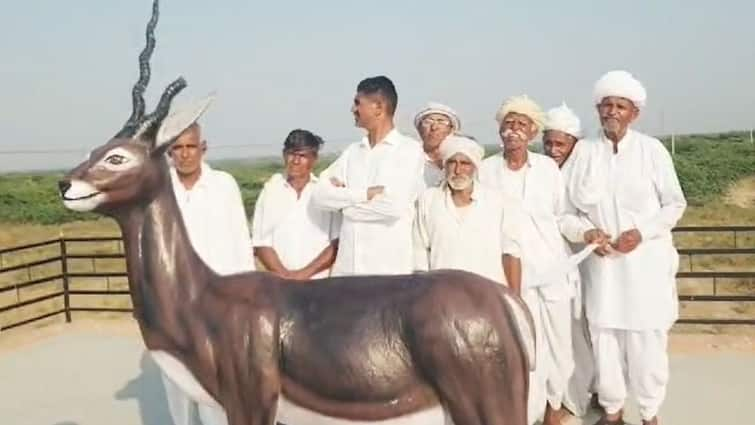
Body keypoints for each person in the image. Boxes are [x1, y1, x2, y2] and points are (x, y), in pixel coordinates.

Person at [566, 70, 687, 425]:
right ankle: (613, 411)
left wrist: (643, 232)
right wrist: (587, 232)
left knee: (647, 344)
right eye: (607, 105)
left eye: (621, 106)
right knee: (604, 341)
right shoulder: (584, 152)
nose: (613, 111)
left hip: (645, 269)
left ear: (635, 113)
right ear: (598, 109)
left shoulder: (652, 151)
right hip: (602, 271)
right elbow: (565, 212)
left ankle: (649, 414)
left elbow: (674, 205)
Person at [479, 95, 586, 425]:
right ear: (499, 131)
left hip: (552, 270)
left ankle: (555, 406)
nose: (513, 130)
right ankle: (527, 411)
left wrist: (587, 233)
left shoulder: (547, 169)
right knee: (522, 346)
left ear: (533, 131)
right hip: (509, 275)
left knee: (559, 345)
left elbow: (562, 217)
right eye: (508, 124)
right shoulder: (486, 170)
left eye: (521, 124)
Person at [167, 123, 255, 425]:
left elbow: (241, 240)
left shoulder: (223, 185)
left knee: (218, 382)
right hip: (174, 304)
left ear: (203, 148)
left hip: (220, 302)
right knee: (177, 381)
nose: (184, 154)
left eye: (190, 146)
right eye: (177, 148)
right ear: (169, 152)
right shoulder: (160, 190)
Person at [312, 76, 424, 276]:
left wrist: (343, 206)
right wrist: (364, 195)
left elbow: (392, 207)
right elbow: (319, 196)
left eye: (357, 103)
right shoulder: (352, 153)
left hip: (388, 275)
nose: (352, 110)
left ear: (379, 107)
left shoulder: (408, 151)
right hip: (347, 273)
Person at [543, 103, 599, 422]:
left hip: (588, 257)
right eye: (548, 142)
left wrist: (587, 232)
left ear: (574, 143)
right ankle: (565, 397)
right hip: (554, 265)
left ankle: (584, 396)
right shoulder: (542, 169)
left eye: (560, 143)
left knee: (586, 331)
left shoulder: (586, 167)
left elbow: (571, 217)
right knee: (566, 334)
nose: (553, 149)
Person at [413, 135, 522, 288]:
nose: (458, 170)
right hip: (442, 294)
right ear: (445, 165)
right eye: (452, 163)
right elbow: (419, 255)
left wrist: (515, 301)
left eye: (465, 163)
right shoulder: (428, 200)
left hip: (488, 294)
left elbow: (511, 253)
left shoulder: (497, 201)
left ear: (475, 167)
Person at [251, 129, 340, 279]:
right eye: (292, 154)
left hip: (318, 286)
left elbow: (336, 243)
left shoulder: (325, 192)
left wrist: (303, 275)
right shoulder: (270, 191)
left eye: (303, 156)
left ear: (314, 158)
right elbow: (261, 242)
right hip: (280, 286)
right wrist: (285, 276)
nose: (296, 161)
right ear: (284, 155)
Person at [413, 102, 462, 189]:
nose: (434, 127)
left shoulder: (462, 160)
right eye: (428, 122)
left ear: (452, 129)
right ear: (419, 129)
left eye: (441, 122)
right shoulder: (410, 157)